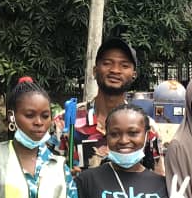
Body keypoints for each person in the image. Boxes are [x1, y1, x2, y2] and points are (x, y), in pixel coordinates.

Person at [64, 36, 162, 173]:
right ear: (94, 70)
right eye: (107, 63)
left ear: (134, 75)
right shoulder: (66, 121)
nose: (115, 70)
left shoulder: (147, 127)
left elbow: (156, 178)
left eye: (124, 65)